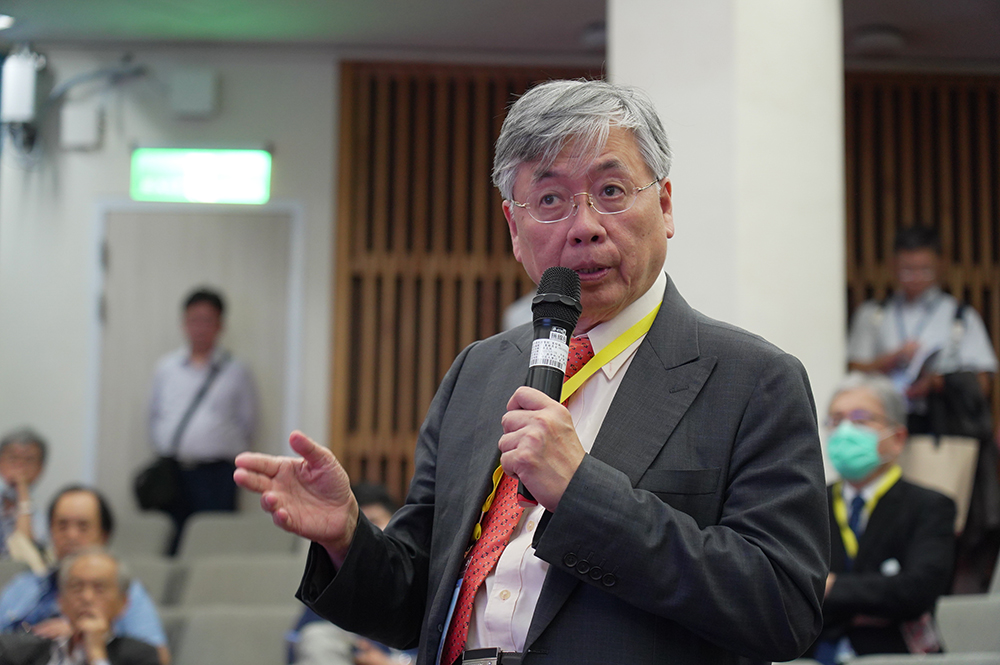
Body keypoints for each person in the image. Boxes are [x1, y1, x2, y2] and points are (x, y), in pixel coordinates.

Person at [235, 79, 829, 665]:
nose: (585, 225)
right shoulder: (479, 370)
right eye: (550, 200)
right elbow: (415, 603)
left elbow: (782, 609)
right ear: (514, 229)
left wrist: (582, 491)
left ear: (666, 205)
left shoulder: (753, 380)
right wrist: (346, 537)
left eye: (612, 190)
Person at [808, 372, 955, 663]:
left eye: (861, 420)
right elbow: (788, 590)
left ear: (897, 438)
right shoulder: (809, 504)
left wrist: (830, 587)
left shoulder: (930, 506)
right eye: (836, 420)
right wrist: (875, 596)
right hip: (815, 652)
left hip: (895, 653)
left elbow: (916, 592)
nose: (845, 431)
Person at [847, 225, 997, 433]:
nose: (916, 277)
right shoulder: (873, 314)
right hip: (882, 421)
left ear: (941, 265)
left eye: (925, 270)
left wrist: (938, 382)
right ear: (892, 265)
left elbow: (982, 381)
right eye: (907, 270)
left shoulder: (960, 316)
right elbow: (852, 370)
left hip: (943, 424)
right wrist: (890, 359)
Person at [0, 487, 169, 665]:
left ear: (104, 535)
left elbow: (158, 658)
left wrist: (84, 636)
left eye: (83, 526)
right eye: (62, 526)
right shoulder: (24, 586)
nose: (71, 535)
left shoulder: (127, 590)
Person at [147, 287, 258, 554]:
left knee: (214, 542)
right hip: (173, 472)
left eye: (207, 320)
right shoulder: (166, 368)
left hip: (218, 474)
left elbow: (248, 421)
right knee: (170, 542)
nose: (200, 328)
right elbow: (153, 416)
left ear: (220, 325)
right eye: (194, 320)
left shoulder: (236, 370)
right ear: (184, 323)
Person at [289, 484, 415, 665]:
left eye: (374, 522)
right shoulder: (331, 585)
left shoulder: (419, 578)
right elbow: (298, 645)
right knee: (318, 638)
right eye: (358, 528)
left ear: (396, 522)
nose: (368, 535)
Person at [0, 548, 159, 665]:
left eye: (99, 588)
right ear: (60, 600)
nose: (86, 597)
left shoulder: (141, 656)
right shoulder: (19, 652)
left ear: (123, 603)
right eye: (76, 587)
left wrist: (96, 654)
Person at [0, 429, 47, 558]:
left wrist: (22, 492)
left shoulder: (40, 516)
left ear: (40, 468)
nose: (20, 467)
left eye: (29, 460)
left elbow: (25, 553)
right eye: (13, 458)